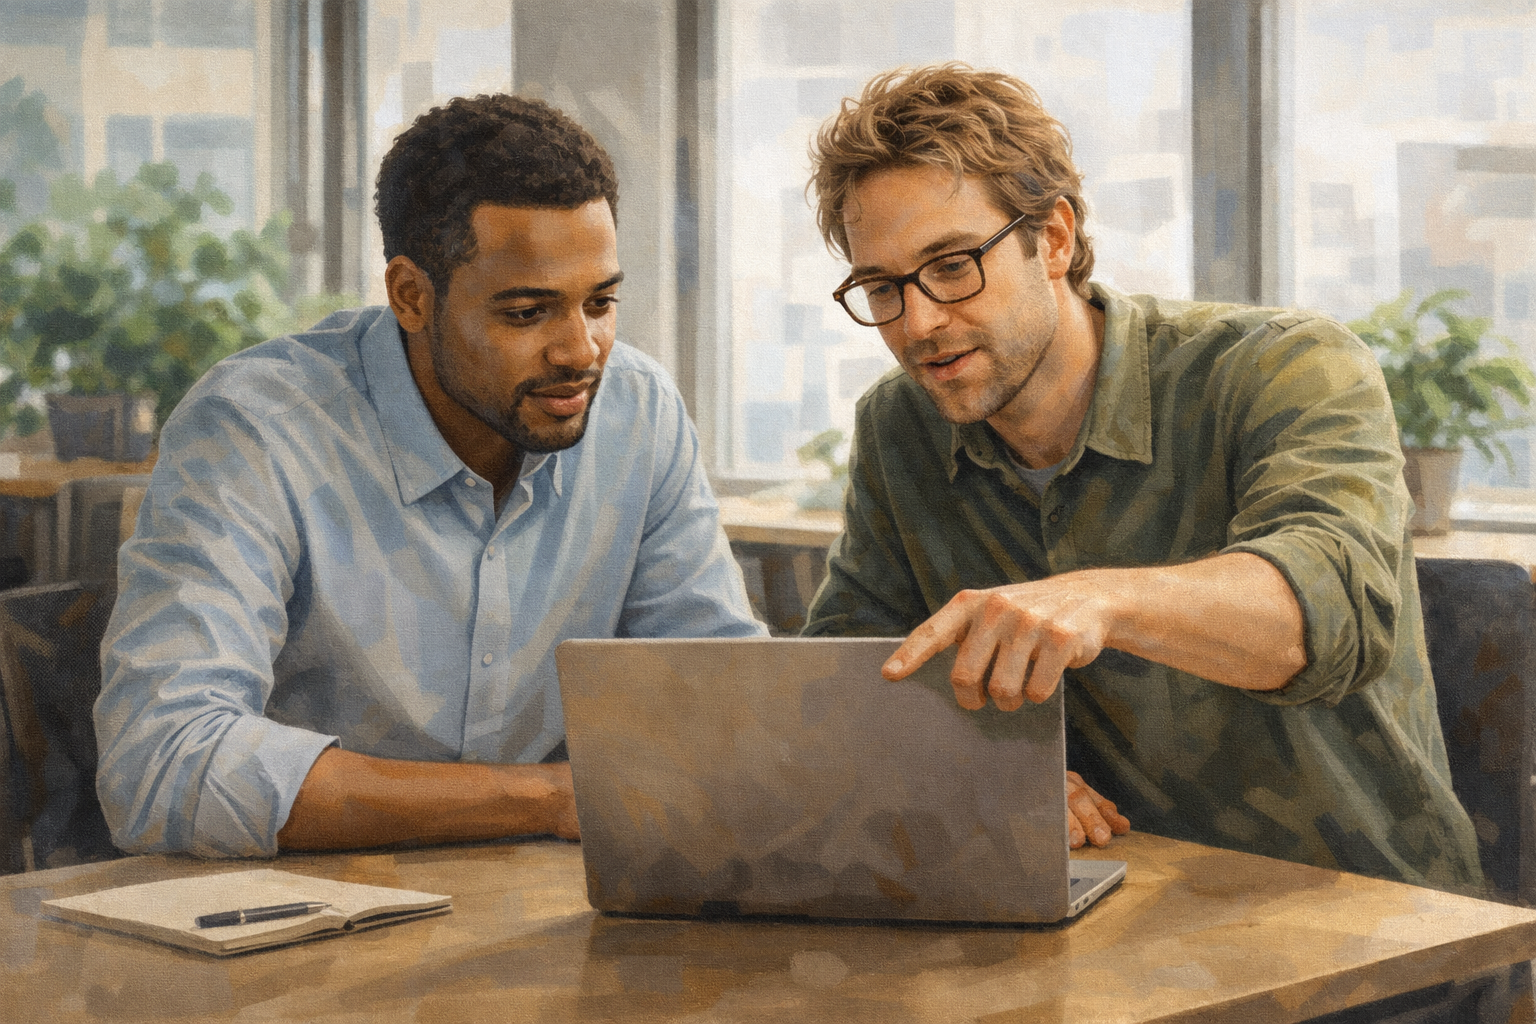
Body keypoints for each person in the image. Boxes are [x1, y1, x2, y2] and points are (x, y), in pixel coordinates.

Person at [801, 63, 1482, 891]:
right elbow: (849, 667)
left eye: (951, 266)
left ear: (1052, 238)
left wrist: (1102, 599)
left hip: (1372, 921)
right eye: (882, 286)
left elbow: (1329, 609)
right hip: (1112, 907)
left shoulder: (1284, 365)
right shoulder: (901, 425)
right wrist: (969, 768)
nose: (918, 322)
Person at [95, 94, 765, 859]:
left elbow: (720, 697)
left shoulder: (638, 412)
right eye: (527, 313)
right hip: (295, 922)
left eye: (601, 302)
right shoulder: (255, 429)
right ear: (412, 296)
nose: (582, 351)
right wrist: (545, 799)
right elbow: (162, 763)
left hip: (540, 917)